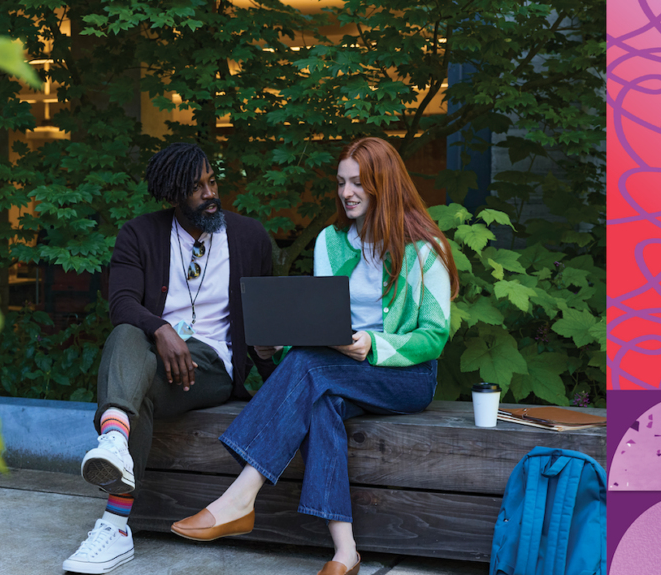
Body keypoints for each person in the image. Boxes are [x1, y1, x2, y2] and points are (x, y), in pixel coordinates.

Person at [170, 137, 459, 575]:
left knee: (307, 368)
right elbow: (322, 326)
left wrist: (374, 344)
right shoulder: (330, 241)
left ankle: (238, 499)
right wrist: (280, 343)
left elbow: (434, 337)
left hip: (404, 377)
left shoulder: (425, 249)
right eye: (341, 182)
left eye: (359, 183)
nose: (346, 193)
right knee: (317, 398)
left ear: (386, 185)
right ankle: (345, 553)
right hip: (337, 371)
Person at [62, 142, 276, 574]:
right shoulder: (140, 235)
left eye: (212, 181)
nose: (210, 193)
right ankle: (116, 505)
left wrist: (269, 358)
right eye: (196, 187)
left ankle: (113, 487)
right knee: (128, 338)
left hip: (213, 367)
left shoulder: (250, 238)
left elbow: (268, 320)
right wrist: (161, 329)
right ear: (172, 194)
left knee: (131, 369)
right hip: (156, 363)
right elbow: (121, 303)